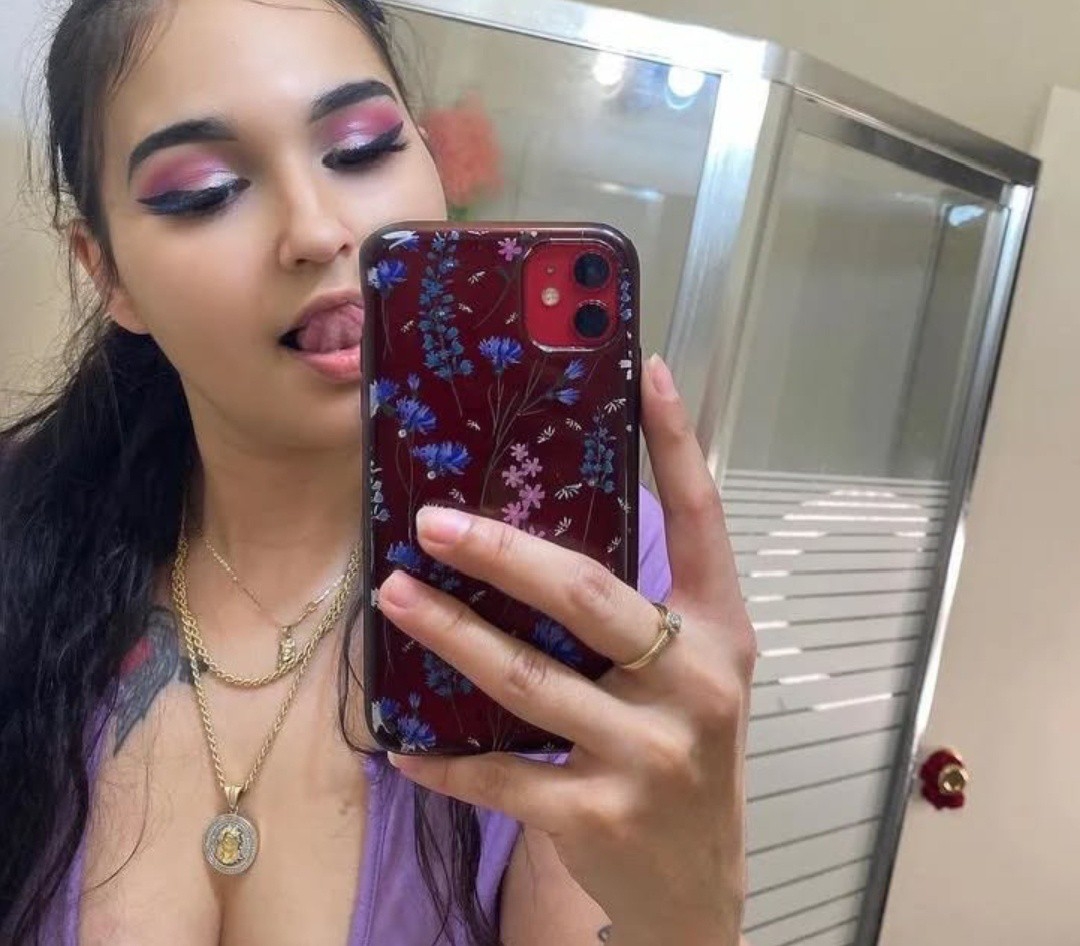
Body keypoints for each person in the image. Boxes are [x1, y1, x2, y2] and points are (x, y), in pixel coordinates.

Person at [0, 1, 756, 944]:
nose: (318, 230)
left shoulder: (591, 570)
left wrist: (690, 909)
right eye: (204, 191)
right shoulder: (19, 539)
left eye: (361, 149)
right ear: (106, 273)